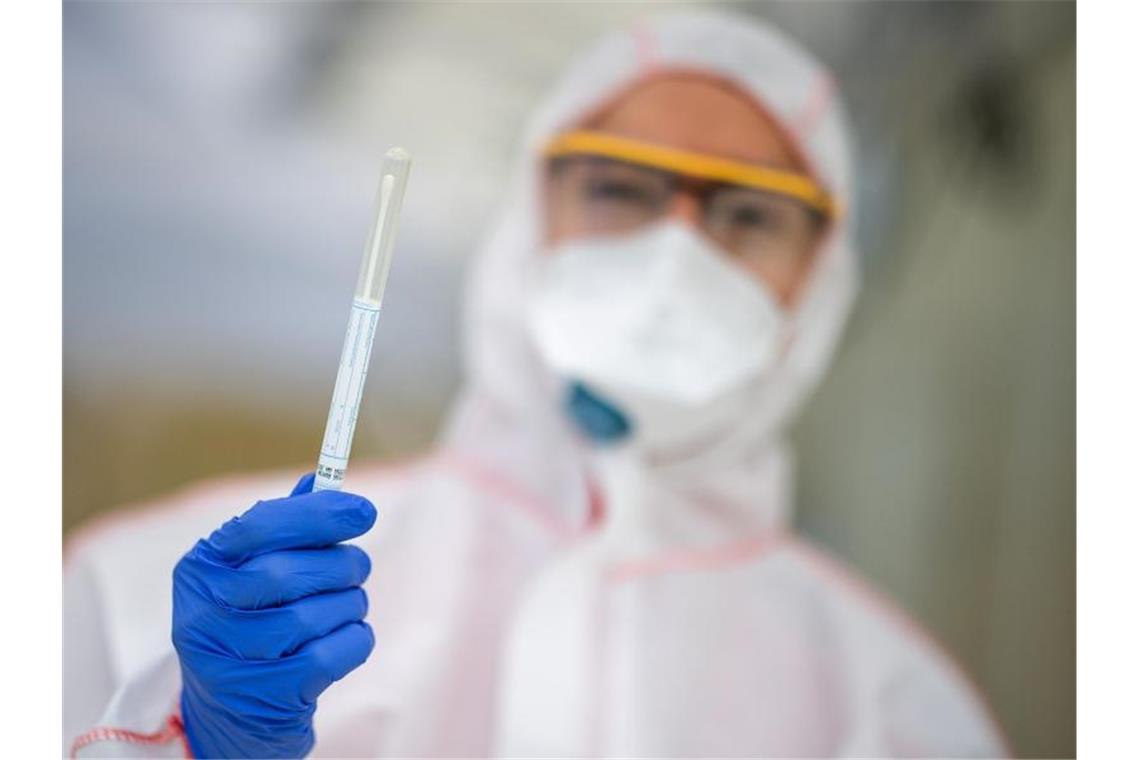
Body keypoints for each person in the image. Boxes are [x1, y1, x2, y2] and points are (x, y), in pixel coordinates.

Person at [64, 11, 1011, 758]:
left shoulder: (894, 708)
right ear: (526, 222)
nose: (673, 252)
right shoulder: (147, 592)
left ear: (822, 278)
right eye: (621, 191)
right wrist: (191, 742)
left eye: (744, 215)